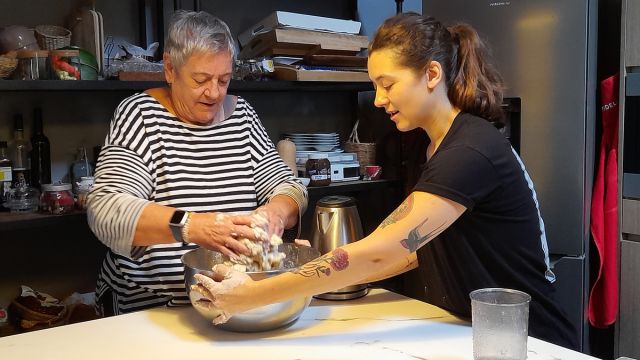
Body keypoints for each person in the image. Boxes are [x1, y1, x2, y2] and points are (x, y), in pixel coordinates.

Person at [191, 12, 579, 349]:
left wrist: (255, 294)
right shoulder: (433, 147)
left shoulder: (470, 151)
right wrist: (309, 276)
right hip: (478, 333)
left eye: (388, 84)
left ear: (431, 74)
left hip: (531, 343)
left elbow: (384, 250)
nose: (378, 99)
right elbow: (412, 250)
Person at [86, 10, 307, 316]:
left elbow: (291, 187)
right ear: (169, 69)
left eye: (224, 80)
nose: (214, 93)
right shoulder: (140, 117)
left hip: (235, 301)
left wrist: (276, 213)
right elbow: (106, 209)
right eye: (201, 80)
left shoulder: (242, 117)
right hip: (152, 306)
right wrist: (190, 226)